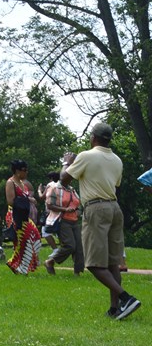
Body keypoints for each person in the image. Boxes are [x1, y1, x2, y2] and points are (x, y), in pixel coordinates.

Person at [61, 122, 141, 320]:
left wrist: (67, 162)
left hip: (96, 208)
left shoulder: (86, 156)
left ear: (93, 137)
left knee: (94, 264)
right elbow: (116, 184)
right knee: (113, 262)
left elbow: (64, 180)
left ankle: (126, 298)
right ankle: (115, 309)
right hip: (114, 208)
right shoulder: (117, 160)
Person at [5, 159, 41, 274]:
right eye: (24, 170)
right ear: (17, 171)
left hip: (24, 215)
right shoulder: (10, 183)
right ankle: (17, 266)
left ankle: (19, 265)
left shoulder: (23, 184)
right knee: (23, 241)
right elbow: (10, 201)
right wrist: (28, 199)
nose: (26, 173)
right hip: (15, 215)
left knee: (35, 237)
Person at [43, 180, 83, 276]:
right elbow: (49, 205)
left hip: (74, 221)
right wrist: (65, 209)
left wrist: (78, 212)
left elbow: (79, 205)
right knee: (70, 245)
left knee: (79, 248)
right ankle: (50, 261)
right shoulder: (54, 188)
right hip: (62, 221)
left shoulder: (72, 190)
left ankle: (77, 273)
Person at [37, 172, 60, 250]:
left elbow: (42, 197)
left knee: (45, 231)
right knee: (60, 231)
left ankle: (55, 249)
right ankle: (65, 248)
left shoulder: (50, 185)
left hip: (51, 212)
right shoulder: (61, 186)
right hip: (60, 211)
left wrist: (39, 191)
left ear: (51, 178)